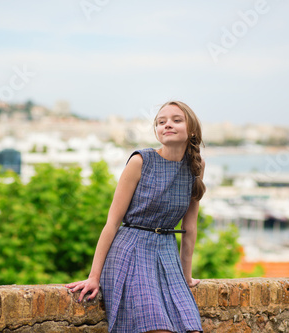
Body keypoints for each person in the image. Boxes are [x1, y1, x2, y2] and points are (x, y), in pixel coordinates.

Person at [66, 100, 206, 333]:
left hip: (167, 255)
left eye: (176, 120)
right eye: (161, 122)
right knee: (157, 329)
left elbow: (189, 228)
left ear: (191, 129)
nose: (167, 125)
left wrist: (186, 276)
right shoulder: (140, 161)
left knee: (191, 328)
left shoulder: (196, 165)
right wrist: (93, 277)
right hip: (131, 252)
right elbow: (112, 223)